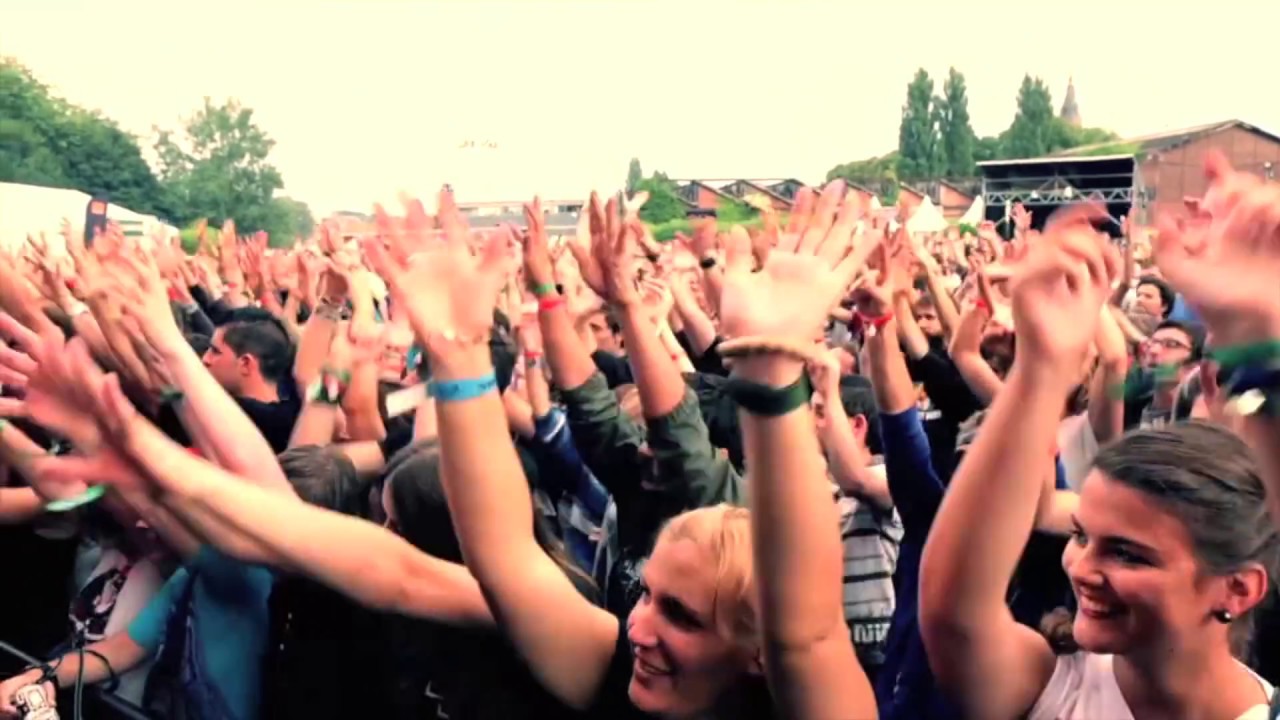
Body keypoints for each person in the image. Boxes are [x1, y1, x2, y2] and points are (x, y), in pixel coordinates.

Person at [919, 204, 1277, 719]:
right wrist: (1042, 367)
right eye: (1082, 536)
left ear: (1238, 589)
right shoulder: (1052, 688)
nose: (1082, 568)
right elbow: (953, 616)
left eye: (1128, 555)